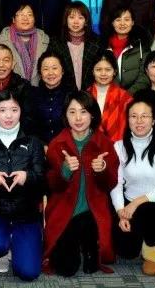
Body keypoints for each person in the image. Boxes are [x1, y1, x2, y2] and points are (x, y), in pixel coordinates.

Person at [0, 90, 45, 281]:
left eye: (14, 109)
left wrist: (27, 177)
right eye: (2, 110)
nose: (8, 115)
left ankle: (16, 243)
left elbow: (43, 180)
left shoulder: (33, 142)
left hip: (26, 214)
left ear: (21, 111)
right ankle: (3, 248)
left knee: (28, 273)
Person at [44, 91, 119, 276]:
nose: (78, 118)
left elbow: (110, 183)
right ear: (65, 115)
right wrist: (65, 170)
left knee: (91, 266)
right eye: (72, 112)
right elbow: (51, 185)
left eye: (83, 112)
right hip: (65, 211)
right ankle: (77, 243)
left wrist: (102, 170)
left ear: (92, 115)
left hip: (92, 211)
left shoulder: (103, 143)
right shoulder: (57, 144)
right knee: (66, 269)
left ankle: (89, 244)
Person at [110, 99, 155, 276]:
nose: (139, 121)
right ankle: (143, 238)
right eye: (134, 116)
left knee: (149, 213)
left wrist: (136, 203)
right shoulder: (119, 146)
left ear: (153, 120)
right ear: (128, 120)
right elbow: (116, 183)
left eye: (144, 116)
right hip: (129, 204)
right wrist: (121, 211)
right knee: (126, 251)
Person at [47, 1, 100, 90]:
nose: (76, 22)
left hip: (91, 93)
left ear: (86, 21)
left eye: (80, 18)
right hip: (63, 94)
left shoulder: (97, 42)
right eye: (71, 17)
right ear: (66, 20)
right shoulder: (55, 43)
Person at [0, 4, 50, 86]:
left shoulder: (44, 39)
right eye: (21, 14)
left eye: (29, 15)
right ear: (13, 19)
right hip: (12, 89)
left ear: (34, 19)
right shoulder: (2, 40)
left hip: (39, 89)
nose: (25, 18)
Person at [103, 5, 151, 94]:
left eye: (127, 19)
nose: (122, 23)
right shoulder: (103, 45)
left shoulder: (142, 45)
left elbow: (145, 75)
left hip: (136, 96)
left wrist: (127, 95)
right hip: (109, 96)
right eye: (118, 20)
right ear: (112, 23)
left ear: (132, 22)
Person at [86, 50, 132, 142]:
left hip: (119, 146)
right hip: (89, 145)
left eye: (108, 69)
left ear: (114, 71)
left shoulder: (124, 97)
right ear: (93, 71)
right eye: (98, 69)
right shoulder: (85, 95)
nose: (103, 73)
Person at [34, 52, 73, 146]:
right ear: (40, 73)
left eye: (54, 68)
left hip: (67, 148)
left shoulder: (72, 95)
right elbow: (29, 127)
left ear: (62, 71)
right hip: (40, 149)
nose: (50, 73)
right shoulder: (32, 95)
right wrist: (42, 145)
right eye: (45, 69)